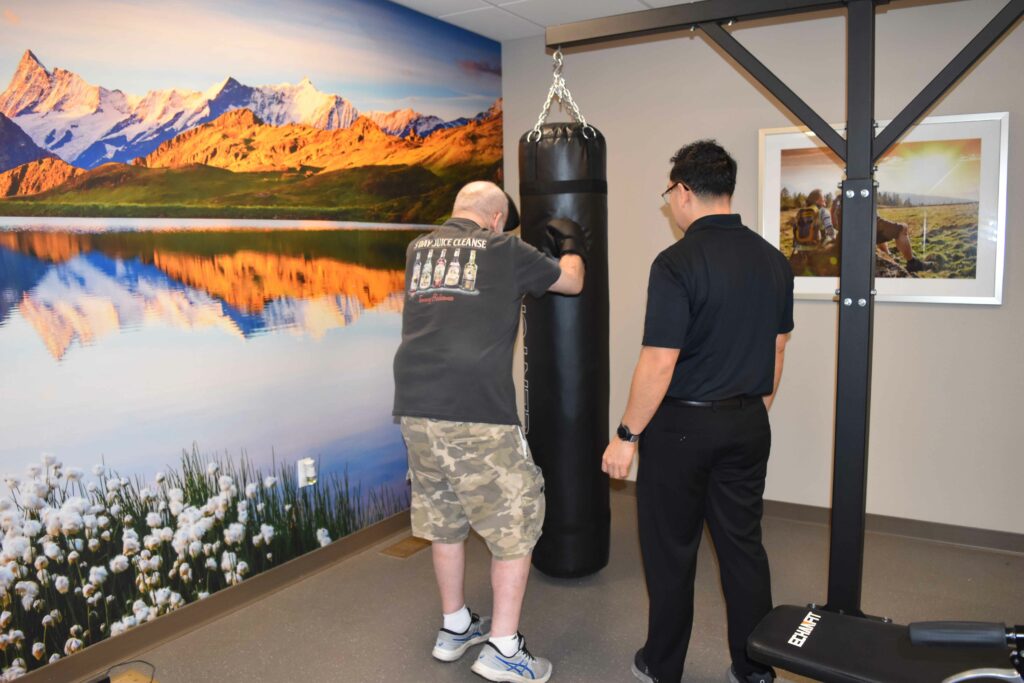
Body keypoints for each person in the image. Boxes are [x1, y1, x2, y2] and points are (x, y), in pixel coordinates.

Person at [601, 140, 794, 683]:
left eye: (670, 194)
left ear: (684, 190)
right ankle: (755, 669)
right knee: (743, 549)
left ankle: (663, 667)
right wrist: (752, 411)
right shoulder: (773, 260)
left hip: (682, 429)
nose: (671, 204)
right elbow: (778, 348)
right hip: (748, 423)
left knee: (671, 553)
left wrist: (625, 435)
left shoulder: (676, 262)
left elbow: (660, 362)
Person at [393, 180, 586, 683]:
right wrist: (571, 246)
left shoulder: (418, 249)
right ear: (497, 217)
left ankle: (456, 626)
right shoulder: (502, 247)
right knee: (516, 517)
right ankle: (503, 648)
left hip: (415, 406)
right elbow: (571, 283)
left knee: (443, 517)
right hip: (474, 408)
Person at [829, 195, 931, 273]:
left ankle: (888, 255)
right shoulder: (862, 193)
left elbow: (835, 224)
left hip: (847, 238)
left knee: (880, 231)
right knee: (902, 228)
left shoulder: (839, 200)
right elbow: (872, 221)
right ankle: (912, 263)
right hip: (865, 232)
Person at [788, 188, 835, 253]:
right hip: (816, 248)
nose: (825, 199)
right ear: (817, 200)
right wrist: (834, 240)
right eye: (823, 197)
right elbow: (830, 229)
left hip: (800, 247)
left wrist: (796, 247)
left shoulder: (800, 212)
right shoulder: (823, 211)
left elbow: (795, 229)